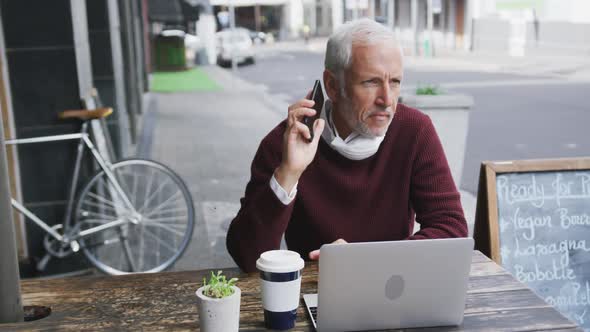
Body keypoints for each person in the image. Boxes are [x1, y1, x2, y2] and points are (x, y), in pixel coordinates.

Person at [226, 18, 467, 272]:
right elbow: (247, 257)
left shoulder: (414, 130)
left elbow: (451, 229)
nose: (386, 100)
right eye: (371, 82)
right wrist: (288, 173)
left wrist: (364, 260)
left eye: (394, 82)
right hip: (316, 292)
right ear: (332, 85)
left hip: (394, 287)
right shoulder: (285, 143)